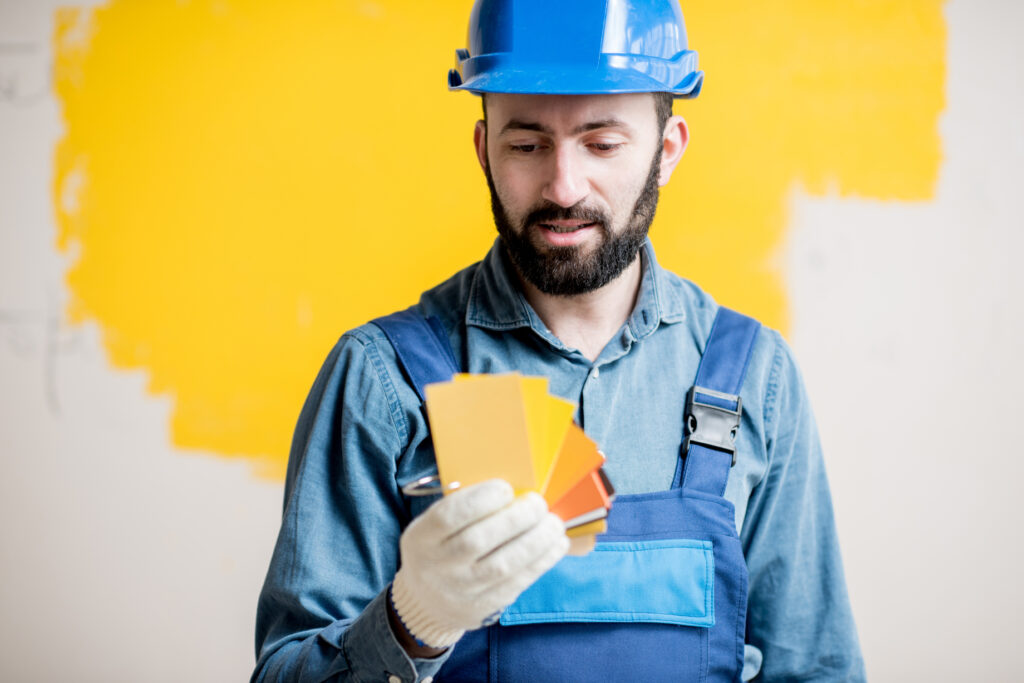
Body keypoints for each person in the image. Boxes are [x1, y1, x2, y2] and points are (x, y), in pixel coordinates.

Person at [252, 1, 866, 681]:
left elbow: (817, 670)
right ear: (485, 150)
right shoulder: (381, 378)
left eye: (602, 143)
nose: (563, 186)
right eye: (527, 144)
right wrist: (411, 622)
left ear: (667, 152)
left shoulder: (754, 377)